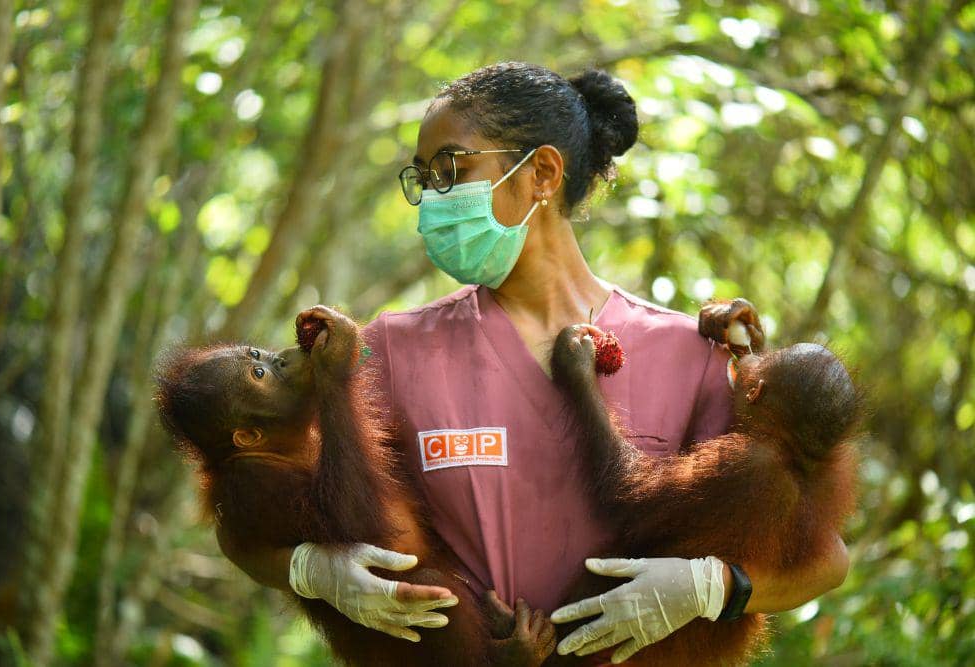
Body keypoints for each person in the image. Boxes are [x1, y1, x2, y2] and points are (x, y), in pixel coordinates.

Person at [218, 62, 849, 663]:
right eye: (423, 178)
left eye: (451, 169)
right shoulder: (385, 351)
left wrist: (715, 588)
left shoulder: (689, 354)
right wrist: (316, 573)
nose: (434, 198)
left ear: (542, 173)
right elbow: (244, 522)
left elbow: (823, 561)